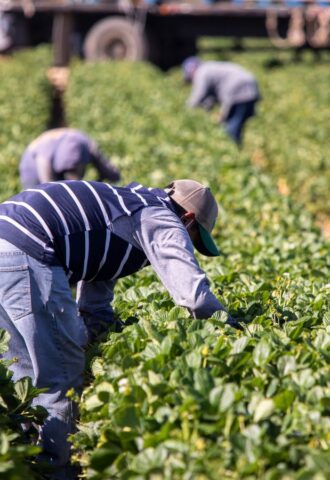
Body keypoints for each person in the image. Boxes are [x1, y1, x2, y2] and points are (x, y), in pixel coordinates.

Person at [0, 178, 236, 479]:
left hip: (5, 236)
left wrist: (108, 333)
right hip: (29, 247)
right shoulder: (161, 217)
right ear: (187, 218)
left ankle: (25, 461)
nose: (188, 244)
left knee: (26, 369)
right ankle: (56, 471)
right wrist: (230, 328)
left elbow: (94, 304)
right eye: (193, 238)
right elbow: (195, 297)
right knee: (61, 371)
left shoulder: (125, 206)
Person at [183, 57, 261, 145]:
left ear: (191, 71)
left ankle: (233, 151)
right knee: (236, 124)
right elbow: (210, 97)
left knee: (231, 126)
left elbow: (199, 95)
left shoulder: (202, 72)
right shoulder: (210, 68)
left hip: (239, 89)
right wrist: (207, 107)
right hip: (250, 86)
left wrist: (187, 109)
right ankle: (238, 148)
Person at [19, 128, 121, 188]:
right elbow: (47, 186)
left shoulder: (86, 143)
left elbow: (107, 168)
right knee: (39, 201)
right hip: (32, 169)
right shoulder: (45, 154)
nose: (73, 172)